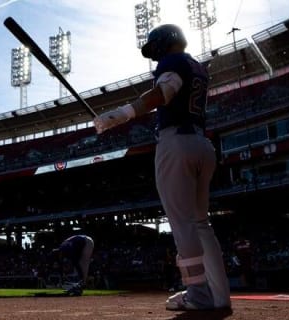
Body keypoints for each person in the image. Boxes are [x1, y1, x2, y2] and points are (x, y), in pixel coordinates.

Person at [94, 24, 231, 311]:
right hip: (202, 143)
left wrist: (120, 115)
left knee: (182, 224)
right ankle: (220, 297)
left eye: (154, 46)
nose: (153, 54)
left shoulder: (172, 62)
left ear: (164, 42)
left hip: (176, 144)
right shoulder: (197, 66)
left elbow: (164, 92)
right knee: (201, 224)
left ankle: (198, 294)